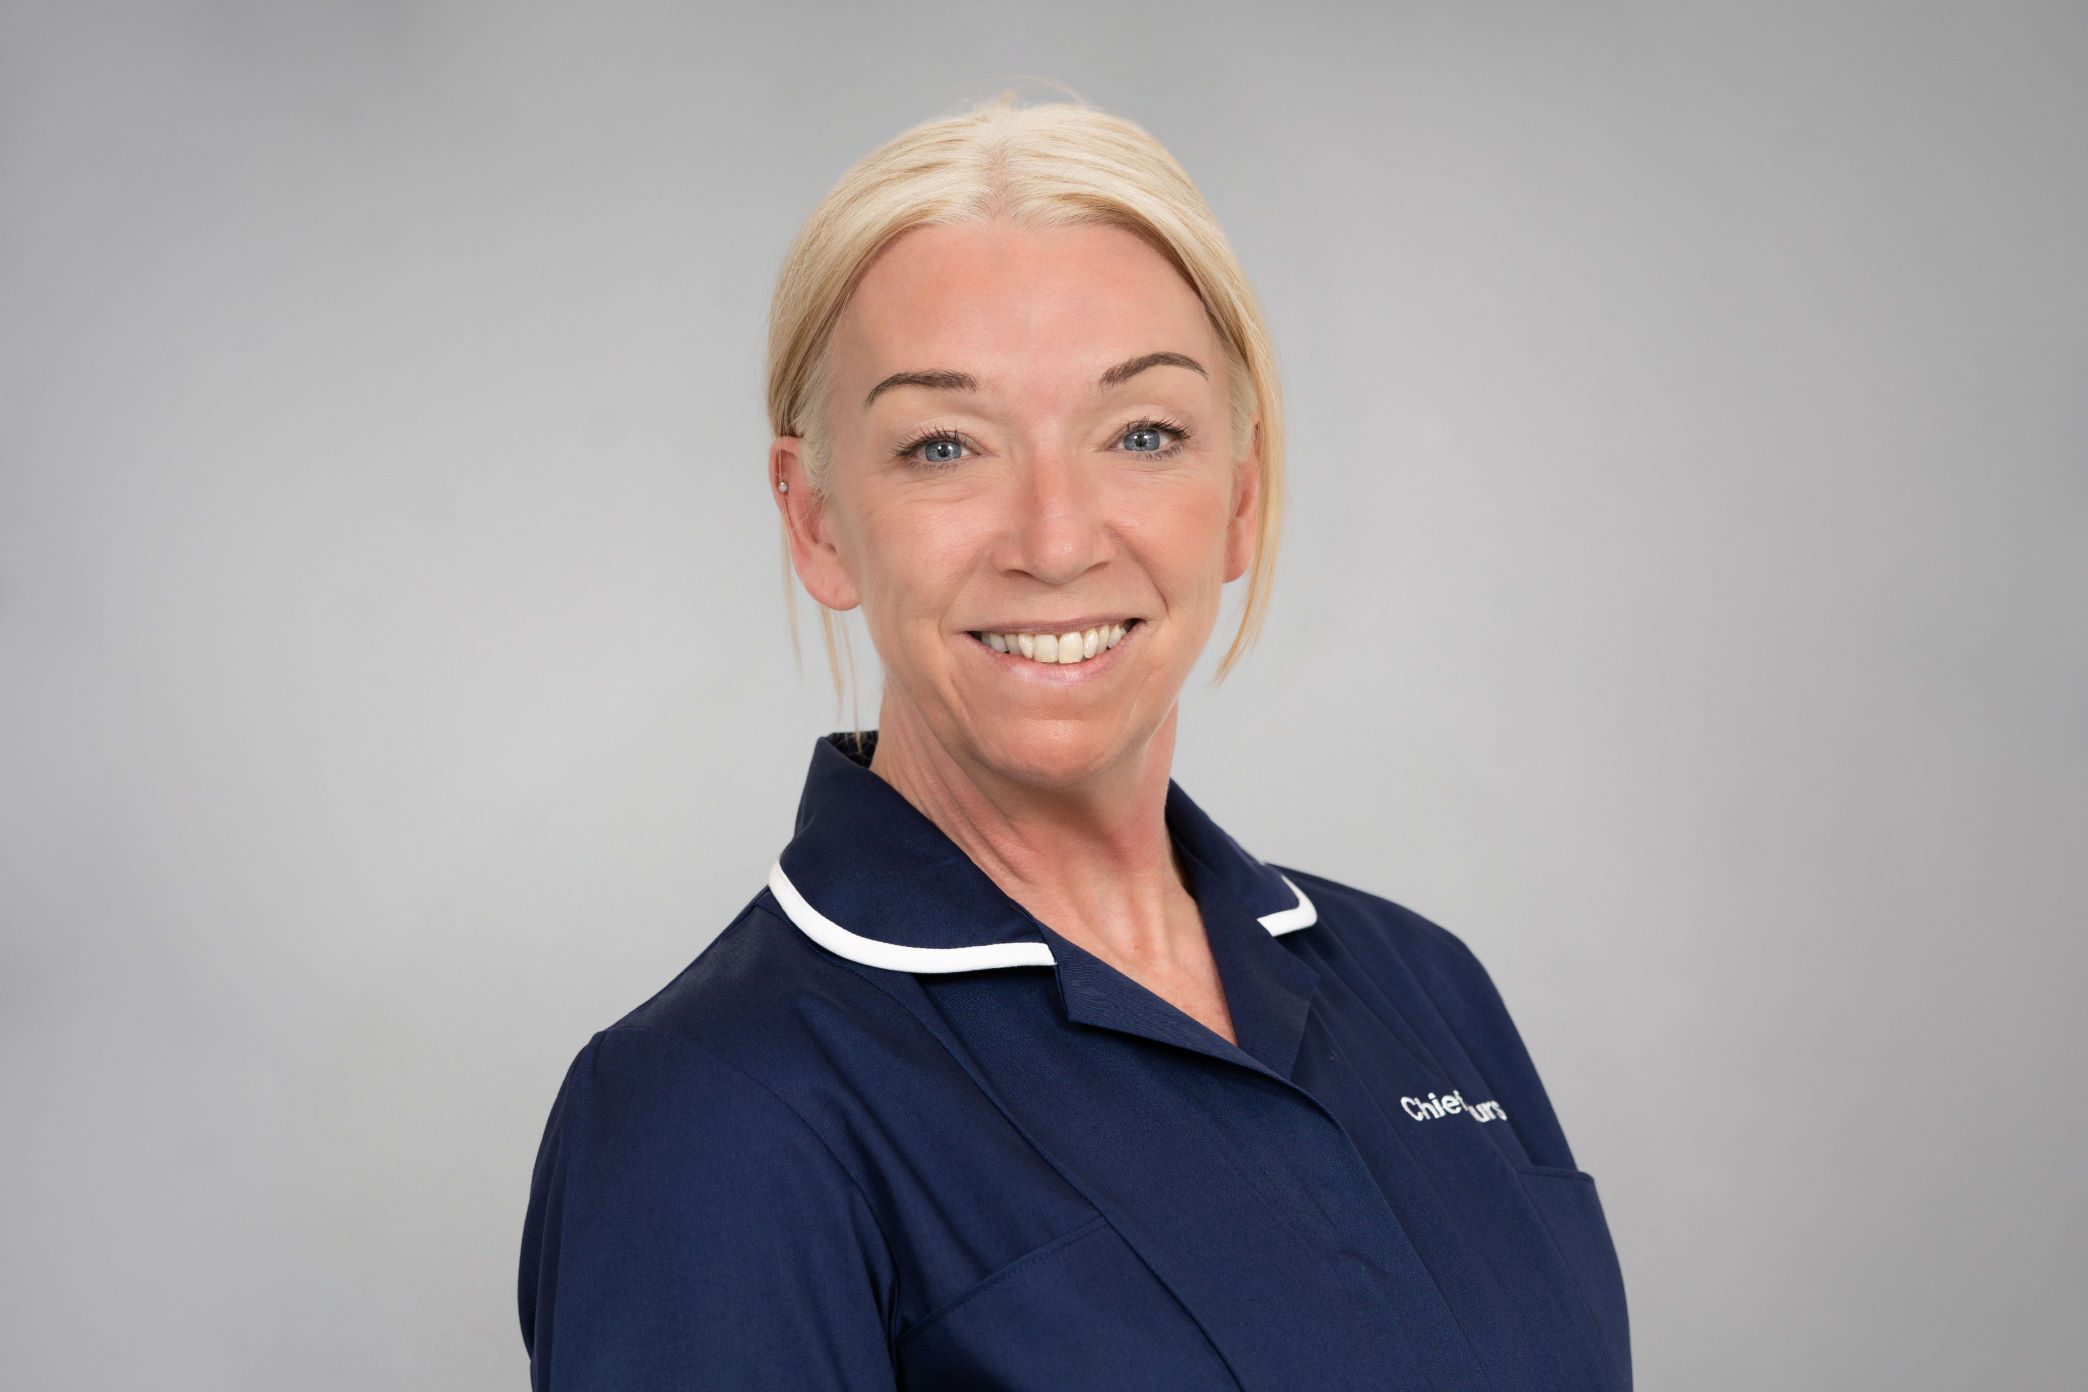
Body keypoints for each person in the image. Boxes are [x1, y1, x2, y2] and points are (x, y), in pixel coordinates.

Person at [517, 90, 1630, 1391]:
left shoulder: (1422, 986)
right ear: (818, 521)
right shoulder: (711, 1116)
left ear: (1241, 499)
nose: (1056, 538)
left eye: (1142, 434)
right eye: (945, 444)